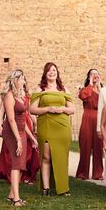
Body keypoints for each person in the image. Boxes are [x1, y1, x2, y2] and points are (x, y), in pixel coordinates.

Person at [30, 62, 75, 196]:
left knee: (62, 156)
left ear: (57, 72)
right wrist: (47, 109)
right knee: (46, 156)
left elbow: (72, 109)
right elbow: (32, 109)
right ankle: (46, 187)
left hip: (62, 126)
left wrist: (62, 109)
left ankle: (63, 188)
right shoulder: (40, 89)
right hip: (46, 124)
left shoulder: (63, 89)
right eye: (49, 70)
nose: (51, 72)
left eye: (54, 70)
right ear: (45, 73)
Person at [0, 70, 38, 206]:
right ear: (15, 80)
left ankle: (11, 195)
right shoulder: (9, 96)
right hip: (11, 133)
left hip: (21, 131)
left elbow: (23, 120)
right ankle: (16, 199)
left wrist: (31, 137)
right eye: (22, 79)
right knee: (16, 164)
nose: (24, 82)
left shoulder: (20, 96)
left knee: (22, 164)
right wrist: (17, 139)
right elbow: (11, 120)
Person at [0, 99, 39, 184]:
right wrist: (0, 125)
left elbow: (29, 112)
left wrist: (36, 124)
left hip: (25, 124)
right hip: (14, 123)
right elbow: (2, 110)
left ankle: (24, 175)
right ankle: (11, 176)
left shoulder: (26, 95)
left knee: (28, 151)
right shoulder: (9, 95)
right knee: (12, 152)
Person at [76, 69, 104, 180]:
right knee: (85, 145)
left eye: (97, 73)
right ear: (88, 76)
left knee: (98, 146)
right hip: (87, 117)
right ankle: (82, 173)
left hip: (99, 118)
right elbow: (83, 96)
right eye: (92, 74)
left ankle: (98, 173)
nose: (95, 75)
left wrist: (99, 87)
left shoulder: (102, 90)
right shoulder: (85, 89)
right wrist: (91, 84)